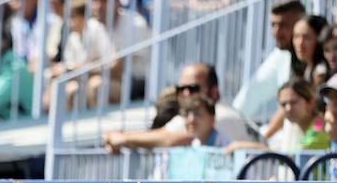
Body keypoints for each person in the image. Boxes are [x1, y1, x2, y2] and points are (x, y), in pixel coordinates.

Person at [102, 64, 257, 151]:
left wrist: (123, 138)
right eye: (181, 89)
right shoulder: (199, 113)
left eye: (193, 88)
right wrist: (125, 140)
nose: (186, 94)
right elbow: (161, 135)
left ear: (214, 92)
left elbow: (169, 139)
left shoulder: (220, 114)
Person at [232, 0, 305, 126]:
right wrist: (230, 123)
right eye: (273, 25)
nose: (276, 32)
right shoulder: (280, 54)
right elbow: (252, 92)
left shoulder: (318, 56)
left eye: (283, 25)